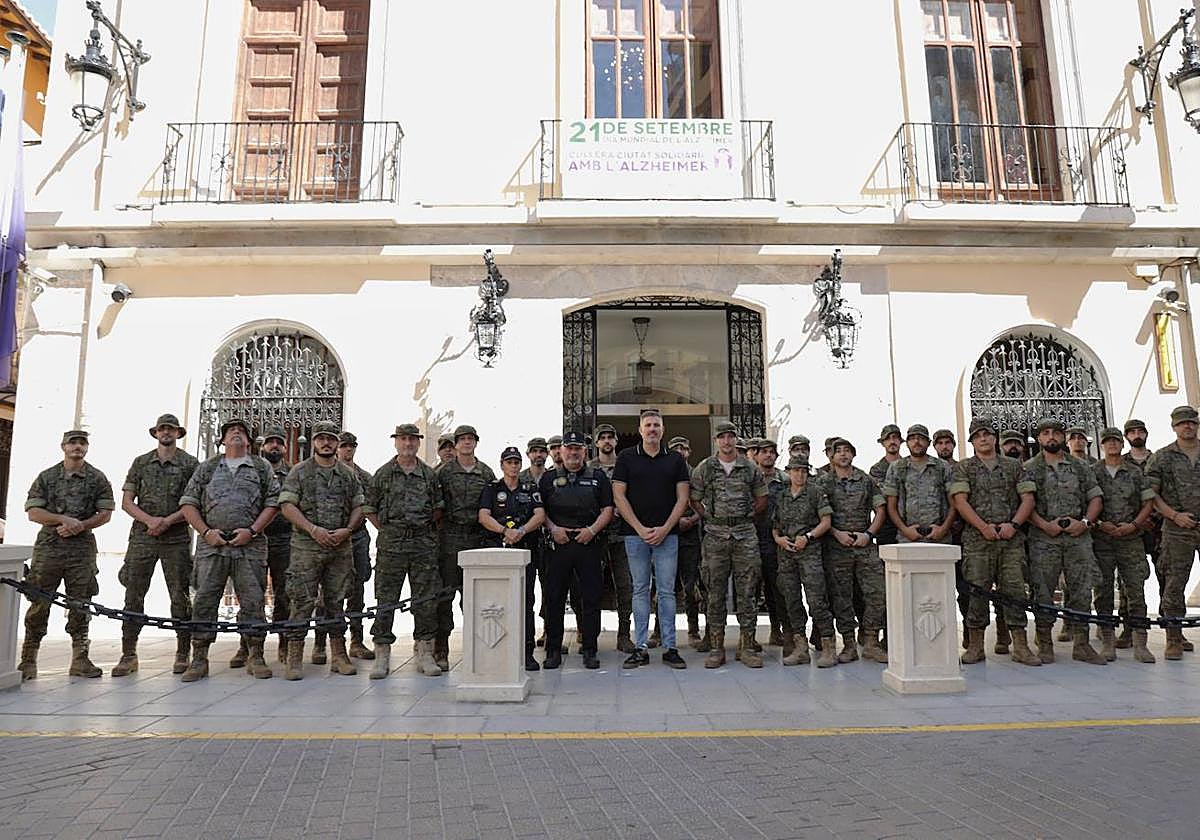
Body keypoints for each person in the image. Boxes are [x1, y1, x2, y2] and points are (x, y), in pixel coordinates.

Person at [179, 419, 280, 682]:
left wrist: (253, 531)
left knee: (253, 601)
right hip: (212, 546)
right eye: (230, 431)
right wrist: (206, 532)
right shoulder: (208, 467)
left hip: (250, 546)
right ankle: (199, 658)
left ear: (248, 440)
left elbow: (273, 503)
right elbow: (188, 504)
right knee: (204, 601)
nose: (236, 434)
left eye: (241, 432)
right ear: (223, 440)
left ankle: (255, 655)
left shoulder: (260, 467)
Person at [17, 430, 115, 681]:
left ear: (87, 447)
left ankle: (80, 659)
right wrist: (63, 519)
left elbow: (105, 513)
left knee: (80, 603)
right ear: (63, 446)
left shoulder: (97, 478)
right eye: (73, 443)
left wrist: (81, 525)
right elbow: (33, 512)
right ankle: (28, 660)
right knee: (39, 602)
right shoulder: (47, 477)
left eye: (82, 443)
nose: (77, 447)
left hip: (81, 551)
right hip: (49, 549)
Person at [114, 414, 199, 677]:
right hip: (143, 537)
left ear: (178, 433)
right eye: (162, 429)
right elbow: (127, 501)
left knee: (180, 596)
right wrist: (151, 521)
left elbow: (194, 501)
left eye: (171, 429)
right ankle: (129, 654)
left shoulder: (190, 464)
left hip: (175, 539)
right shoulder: (141, 463)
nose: (166, 433)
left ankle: (183, 652)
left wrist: (167, 521)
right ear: (155, 433)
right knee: (133, 594)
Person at [278, 421, 365, 679]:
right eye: (321, 438)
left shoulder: (348, 475)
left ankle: (339, 654)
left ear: (337, 443)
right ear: (314, 442)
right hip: (306, 546)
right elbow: (287, 506)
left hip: (340, 546)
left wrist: (347, 530)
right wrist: (312, 529)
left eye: (331, 438)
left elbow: (359, 505)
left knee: (336, 601)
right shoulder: (299, 472)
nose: (326, 443)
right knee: (302, 600)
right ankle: (295, 657)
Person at [949, 420, 1040, 666]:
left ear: (994, 438)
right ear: (972, 442)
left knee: (1014, 591)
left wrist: (1014, 525)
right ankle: (976, 646)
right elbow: (960, 501)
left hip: (1010, 540)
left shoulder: (1014, 466)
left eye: (987, 434)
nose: (983, 439)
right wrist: (983, 527)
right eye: (978, 436)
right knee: (977, 591)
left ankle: (1020, 646)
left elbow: (1027, 498)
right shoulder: (964, 467)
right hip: (978, 540)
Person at [612, 409, 691, 670]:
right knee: (640, 590)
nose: (652, 429)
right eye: (648, 425)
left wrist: (665, 528)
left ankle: (670, 647)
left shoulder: (676, 460)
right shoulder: (626, 458)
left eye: (656, 425)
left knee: (667, 592)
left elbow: (683, 498)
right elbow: (619, 496)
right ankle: (641, 646)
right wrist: (640, 527)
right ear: (640, 429)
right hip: (635, 536)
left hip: (667, 536)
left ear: (663, 429)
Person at [364, 424, 443, 679]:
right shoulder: (384, 474)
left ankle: (425, 651)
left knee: (425, 600)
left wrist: (421, 529)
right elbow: (369, 508)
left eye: (412, 439)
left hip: (422, 546)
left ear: (418, 443)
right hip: (391, 547)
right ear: (396, 442)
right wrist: (387, 530)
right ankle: (382, 654)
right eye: (403, 439)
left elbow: (438, 509)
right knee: (386, 599)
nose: (408, 444)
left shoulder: (429, 475)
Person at [1024, 418, 1106, 665]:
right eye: (1046, 433)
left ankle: (1082, 644)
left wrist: (1085, 523)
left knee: (1081, 590)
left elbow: (1095, 498)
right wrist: (1043, 525)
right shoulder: (1030, 468)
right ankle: (1045, 644)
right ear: (1039, 439)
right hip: (1043, 538)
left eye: (1056, 433)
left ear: (1063, 437)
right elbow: (1025, 503)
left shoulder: (1081, 467)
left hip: (1077, 537)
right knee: (1044, 592)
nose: (1051, 437)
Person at [690, 421, 767, 669]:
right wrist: (711, 517)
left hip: (745, 535)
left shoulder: (749, 467)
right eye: (722, 437)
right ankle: (716, 647)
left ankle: (747, 646)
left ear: (736, 439)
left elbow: (762, 497)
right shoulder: (705, 467)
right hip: (715, 537)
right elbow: (694, 498)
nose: (727, 441)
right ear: (716, 441)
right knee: (715, 593)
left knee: (748, 592)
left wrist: (745, 517)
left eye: (731, 437)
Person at [538, 431, 614, 670]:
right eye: (568, 448)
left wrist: (591, 530)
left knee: (590, 598)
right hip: (558, 544)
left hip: (588, 543)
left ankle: (590, 648)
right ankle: (553, 650)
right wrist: (553, 529)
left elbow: (608, 510)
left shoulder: (598, 477)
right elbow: (540, 511)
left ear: (585, 452)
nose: (572, 452)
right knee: (554, 599)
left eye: (577, 448)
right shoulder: (548, 479)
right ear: (561, 451)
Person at [819, 438, 888, 664]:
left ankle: (871, 641)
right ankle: (848, 643)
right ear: (831, 456)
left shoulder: (865, 480)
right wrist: (836, 533)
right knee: (841, 597)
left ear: (853, 454)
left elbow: (880, 509)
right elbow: (819, 515)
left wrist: (868, 534)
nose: (842, 455)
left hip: (864, 543)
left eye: (847, 451)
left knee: (878, 592)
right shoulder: (824, 482)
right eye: (838, 451)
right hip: (837, 545)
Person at [1091, 427, 1156, 663]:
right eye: (1107, 442)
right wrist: (1099, 524)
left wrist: (1135, 525)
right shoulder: (1092, 472)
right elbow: (1084, 504)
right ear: (1101, 446)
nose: (1112, 445)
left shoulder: (1135, 472)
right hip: (1103, 539)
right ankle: (1108, 642)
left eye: (1116, 441)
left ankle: (1141, 643)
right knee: (1103, 592)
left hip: (1130, 538)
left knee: (1136, 591)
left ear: (1122, 444)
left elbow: (1148, 502)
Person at [479, 446, 545, 671]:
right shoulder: (492, 488)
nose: (513, 466)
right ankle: (499, 649)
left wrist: (522, 531)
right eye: (509, 462)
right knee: (498, 603)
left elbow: (540, 515)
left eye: (516, 462)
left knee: (526, 602)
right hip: (498, 551)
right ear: (502, 465)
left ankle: (527, 652)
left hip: (525, 551)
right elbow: (483, 516)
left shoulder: (530, 487)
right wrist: (504, 531)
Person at [436, 424, 496, 670]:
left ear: (476, 443)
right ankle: (441, 649)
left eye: (471, 439)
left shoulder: (486, 472)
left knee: (476, 599)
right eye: (462, 440)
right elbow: (436, 507)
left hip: (477, 540)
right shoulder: (443, 472)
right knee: (445, 597)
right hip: (449, 540)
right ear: (456, 444)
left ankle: (478, 649)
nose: (467, 443)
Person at [1146, 405, 1200, 660]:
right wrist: (1175, 515)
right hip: (1177, 529)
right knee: (1174, 583)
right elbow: (1151, 495)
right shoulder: (1162, 457)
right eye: (1182, 423)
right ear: (1174, 427)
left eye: (1191, 422)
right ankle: (1174, 639)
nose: (1187, 426)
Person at [771, 455, 835, 667]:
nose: (799, 474)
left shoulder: (815, 492)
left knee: (817, 599)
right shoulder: (781, 496)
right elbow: (775, 526)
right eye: (795, 470)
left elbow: (826, 522)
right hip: (786, 554)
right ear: (788, 472)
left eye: (803, 471)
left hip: (809, 552)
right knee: (791, 600)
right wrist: (779, 539)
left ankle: (828, 647)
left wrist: (808, 537)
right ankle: (800, 647)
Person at [588, 423, 635, 653]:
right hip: (596, 535)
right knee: (591, 585)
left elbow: (634, 495)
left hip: (622, 535)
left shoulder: (625, 467)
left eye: (610, 437)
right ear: (596, 443)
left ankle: (624, 634)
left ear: (616, 441)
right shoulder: (588, 469)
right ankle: (589, 634)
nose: (607, 441)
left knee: (625, 586)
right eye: (602, 438)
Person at [337, 431, 376, 661]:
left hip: (358, 536)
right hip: (332, 537)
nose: (347, 450)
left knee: (357, 588)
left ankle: (356, 640)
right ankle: (324, 642)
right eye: (344, 446)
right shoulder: (328, 473)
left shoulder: (365, 477)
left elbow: (371, 507)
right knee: (330, 592)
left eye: (351, 445)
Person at [883, 425, 956, 545]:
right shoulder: (897, 468)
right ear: (906, 443)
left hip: (939, 538)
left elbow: (954, 503)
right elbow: (891, 506)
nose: (917, 442)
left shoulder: (942, 467)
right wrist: (905, 530)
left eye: (921, 438)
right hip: (907, 538)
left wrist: (943, 529)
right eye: (912, 439)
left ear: (928, 443)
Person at [258, 427, 293, 663]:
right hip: (256, 539)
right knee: (252, 593)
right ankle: (249, 646)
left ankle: (284, 644)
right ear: (262, 446)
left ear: (285, 447)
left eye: (278, 443)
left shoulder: (294, 473)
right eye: (270, 442)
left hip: (285, 539)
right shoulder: (253, 470)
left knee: (284, 595)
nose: (274, 446)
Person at [669, 435, 706, 649]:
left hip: (691, 537)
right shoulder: (664, 472)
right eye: (676, 448)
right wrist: (674, 520)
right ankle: (660, 630)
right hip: (668, 534)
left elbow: (705, 502)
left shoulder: (697, 474)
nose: (680, 451)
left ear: (689, 452)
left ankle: (693, 630)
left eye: (684, 448)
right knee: (664, 587)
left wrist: (692, 519)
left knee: (690, 585)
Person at [754, 439, 791, 651]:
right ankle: (749, 635)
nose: (768, 455)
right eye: (764, 452)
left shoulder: (784, 480)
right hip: (752, 538)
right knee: (751, 589)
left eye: (771, 452)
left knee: (778, 588)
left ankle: (782, 631)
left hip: (777, 540)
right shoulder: (750, 478)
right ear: (756, 456)